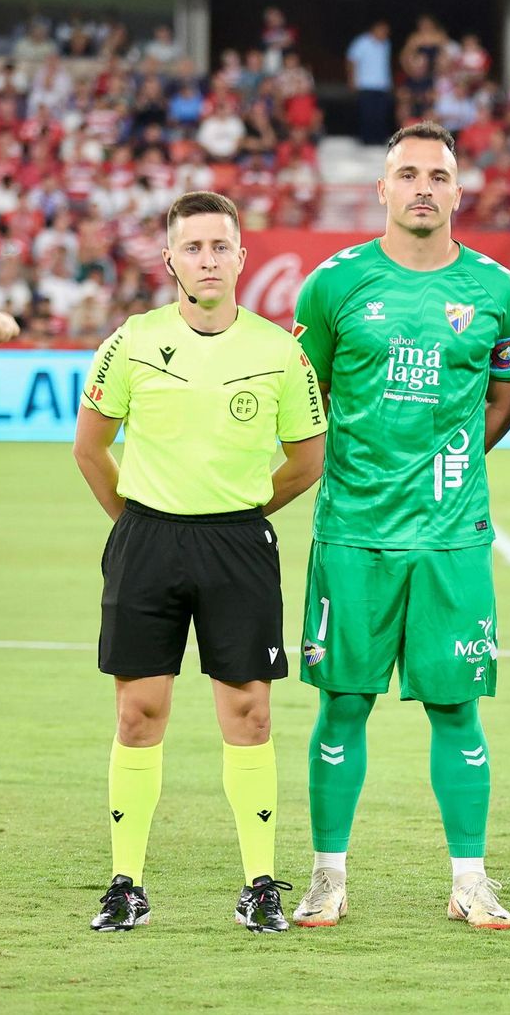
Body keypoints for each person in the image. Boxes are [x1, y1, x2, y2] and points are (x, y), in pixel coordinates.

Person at [289, 122, 510, 929]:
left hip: (451, 539)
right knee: (342, 706)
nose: (423, 187)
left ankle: (471, 880)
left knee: (457, 710)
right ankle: (327, 877)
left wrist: (448, 468)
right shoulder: (333, 285)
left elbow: (503, 399)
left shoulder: (499, 293)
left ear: (459, 190)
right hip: (352, 534)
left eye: (438, 175)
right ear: (383, 188)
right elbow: (308, 395)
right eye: (408, 174)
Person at [73, 190, 326, 933]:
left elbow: (307, 459)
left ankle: (259, 884)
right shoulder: (133, 340)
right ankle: (125, 883)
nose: (207, 260)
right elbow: (90, 447)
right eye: (193, 248)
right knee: (138, 712)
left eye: (220, 247)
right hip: (147, 541)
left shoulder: (279, 351)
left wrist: (239, 515)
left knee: (249, 714)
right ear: (170, 260)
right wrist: (137, 525)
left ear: (241, 257)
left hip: (237, 545)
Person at [346, 21, 393, 147]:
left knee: (381, 114)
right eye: (383, 31)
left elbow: (385, 65)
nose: (385, 34)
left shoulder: (386, 44)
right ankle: (366, 140)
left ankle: (379, 139)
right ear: (374, 29)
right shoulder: (361, 42)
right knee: (367, 114)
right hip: (366, 84)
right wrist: (352, 80)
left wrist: (389, 82)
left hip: (382, 85)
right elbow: (351, 61)